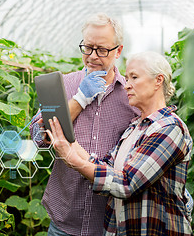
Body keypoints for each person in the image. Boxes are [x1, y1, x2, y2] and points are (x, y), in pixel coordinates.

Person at [47, 51, 193, 235]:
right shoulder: (134, 127)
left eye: (134, 77)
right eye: (126, 78)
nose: (127, 85)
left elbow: (127, 183)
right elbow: (105, 167)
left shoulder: (169, 128)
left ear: (158, 81)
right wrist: (70, 143)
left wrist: (73, 160)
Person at [29, 13, 138, 236]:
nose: (92, 56)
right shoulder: (64, 85)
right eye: (87, 47)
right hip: (64, 220)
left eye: (102, 50)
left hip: (109, 224)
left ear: (118, 51)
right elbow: (38, 136)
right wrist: (79, 99)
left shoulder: (131, 96)